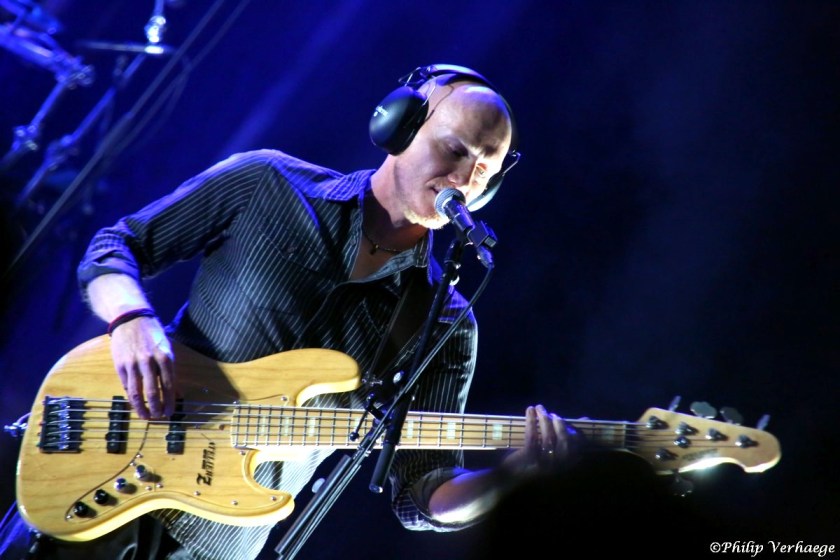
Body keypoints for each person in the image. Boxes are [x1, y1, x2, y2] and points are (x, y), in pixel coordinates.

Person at [5, 64, 578, 560]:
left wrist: (511, 475)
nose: (463, 180)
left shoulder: (445, 322)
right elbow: (116, 247)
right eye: (454, 150)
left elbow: (422, 493)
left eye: (483, 171)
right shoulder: (267, 181)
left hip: (216, 545)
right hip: (103, 466)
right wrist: (132, 321)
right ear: (401, 125)